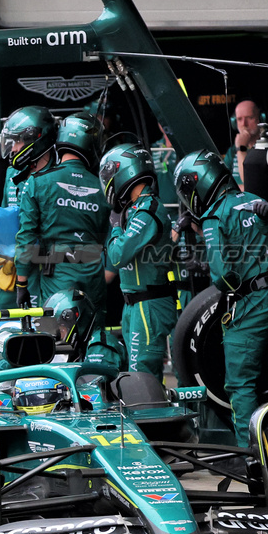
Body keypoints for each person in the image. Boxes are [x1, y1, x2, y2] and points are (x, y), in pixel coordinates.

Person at [175, 150, 268, 446]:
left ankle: (251, 455)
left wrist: (205, 267)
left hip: (251, 305)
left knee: (240, 385)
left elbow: (222, 274)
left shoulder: (214, 216)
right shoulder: (255, 201)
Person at [16, 111, 109, 320]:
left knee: (57, 339)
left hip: (58, 275)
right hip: (94, 274)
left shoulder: (38, 182)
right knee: (94, 337)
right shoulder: (103, 187)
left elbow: (27, 237)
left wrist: (22, 282)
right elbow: (109, 237)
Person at [100, 145, 176, 377]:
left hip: (148, 304)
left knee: (142, 375)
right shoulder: (135, 210)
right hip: (134, 303)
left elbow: (117, 255)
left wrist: (114, 227)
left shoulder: (148, 210)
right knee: (134, 375)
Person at [0, 106, 57, 311]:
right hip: (15, 267)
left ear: (36, 138)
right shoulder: (11, 173)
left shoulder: (58, 176)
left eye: (18, 141)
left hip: (48, 269)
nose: (13, 149)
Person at [222, 100, 263, 190]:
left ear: (260, 119)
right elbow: (223, 186)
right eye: (239, 119)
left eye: (249, 118)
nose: (244, 124)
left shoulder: (267, 148)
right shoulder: (232, 151)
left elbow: (251, 183)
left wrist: (241, 149)